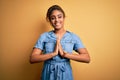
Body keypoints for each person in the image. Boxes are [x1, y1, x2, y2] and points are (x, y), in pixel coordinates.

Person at [30, 5, 90, 80]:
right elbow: (33, 58)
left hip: (66, 74)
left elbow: (87, 58)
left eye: (59, 17)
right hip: (48, 74)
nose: (57, 20)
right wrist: (53, 54)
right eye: (53, 18)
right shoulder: (44, 36)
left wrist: (65, 54)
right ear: (49, 20)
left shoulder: (73, 37)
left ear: (64, 17)